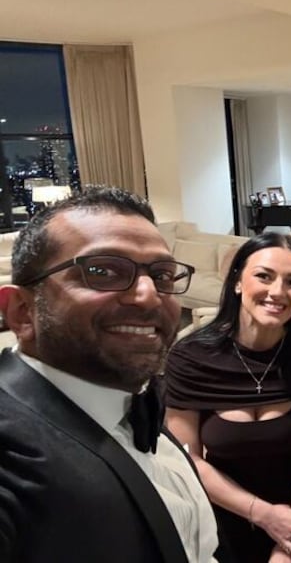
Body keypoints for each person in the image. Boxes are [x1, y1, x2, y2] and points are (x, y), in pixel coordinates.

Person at [0, 186, 221, 562]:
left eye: (163, 275)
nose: (149, 295)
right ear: (22, 311)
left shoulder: (134, 404)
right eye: (103, 271)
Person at [165, 233, 291, 563]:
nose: (278, 292)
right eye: (264, 276)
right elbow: (187, 459)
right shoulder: (190, 357)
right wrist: (262, 514)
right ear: (236, 282)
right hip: (221, 519)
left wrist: (290, 542)